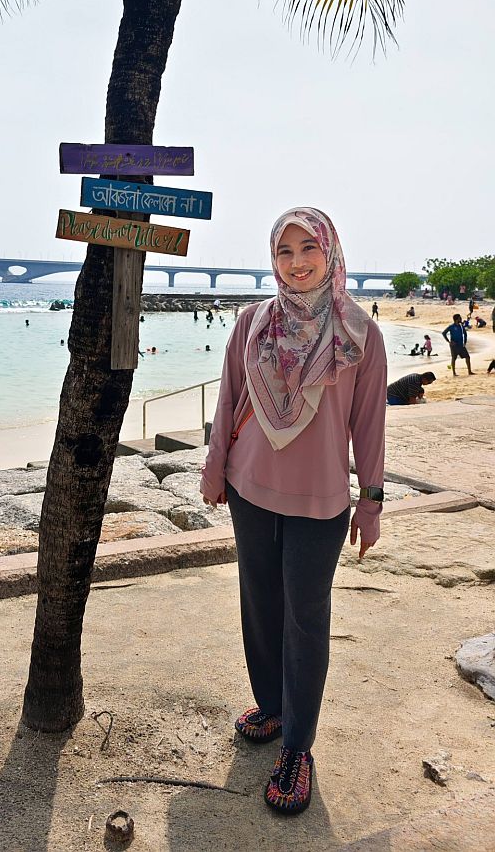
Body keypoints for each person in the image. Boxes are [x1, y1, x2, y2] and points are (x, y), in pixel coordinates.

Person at [200, 207, 386, 816]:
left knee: (305, 618)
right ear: (272, 259)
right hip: (249, 486)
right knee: (258, 602)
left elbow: (368, 426)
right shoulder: (252, 322)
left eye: (309, 248)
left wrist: (372, 501)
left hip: (322, 500)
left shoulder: (358, 332)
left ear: (330, 253)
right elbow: (230, 394)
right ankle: (273, 706)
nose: (297, 261)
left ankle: (298, 745)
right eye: (285, 251)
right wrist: (213, 464)